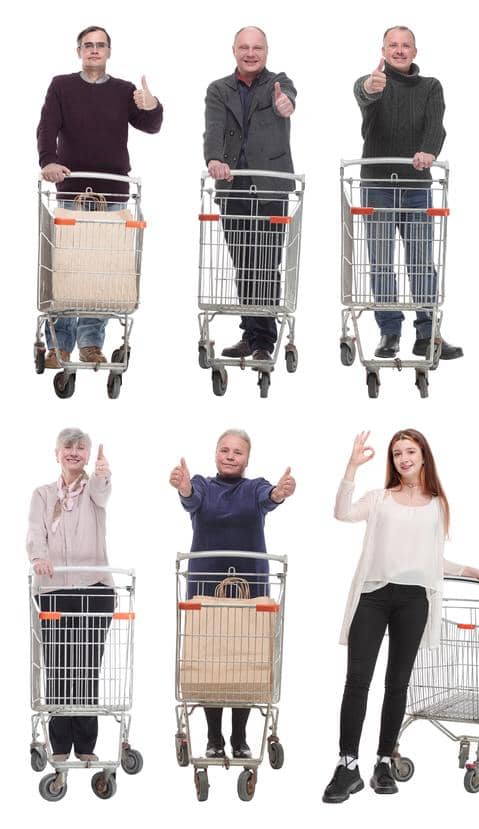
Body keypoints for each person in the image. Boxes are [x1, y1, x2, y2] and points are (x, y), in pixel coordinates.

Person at [323, 430, 479, 803]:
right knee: (357, 682)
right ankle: (347, 765)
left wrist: (473, 570)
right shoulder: (380, 499)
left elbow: (432, 561)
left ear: (423, 456)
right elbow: (341, 513)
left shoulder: (437, 505)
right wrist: (352, 466)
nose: (404, 458)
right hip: (373, 596)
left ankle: (384, 761)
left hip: (413, 600)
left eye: (410, 451)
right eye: (397, 453)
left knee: (397, 684)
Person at [36, 26, 164, 369]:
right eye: (88, 45)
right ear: (79, 51)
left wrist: (152, 106)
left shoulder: (124, 90)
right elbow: (47, 126)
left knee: (104, 271)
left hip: (114, 192)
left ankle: (91, 343)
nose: (94, 50)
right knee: (68, 270)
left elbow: (150, 125)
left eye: (100, 46)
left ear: (109, 52)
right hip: (72, 190)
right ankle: (59, 346)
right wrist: (48, 160)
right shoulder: (62, 86)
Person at [169, 429, 296, 761]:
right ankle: (213, 737)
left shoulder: (254, 487)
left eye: (237, 452)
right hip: (205, 585)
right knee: (209, 657)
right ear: (215, 454)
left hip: (249, 584)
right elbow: (190, 498)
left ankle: (239, 737)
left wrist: (280, 493)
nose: (229, 456)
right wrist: (183, 487)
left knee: (245, 657)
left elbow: (269, 497)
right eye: (224, 450)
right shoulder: (203, 485)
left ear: (247, 459)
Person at [353, 26, 462, 362]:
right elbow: (364, 93)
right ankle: (389, 331)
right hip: (378, 186)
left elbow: (435, 124)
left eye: (405, 45)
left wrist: (429, 151)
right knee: (382, 261)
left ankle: (428, 333)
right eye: (393, 45)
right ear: (383, 50)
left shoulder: (431, 87)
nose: (399, 51)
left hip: (415, 186)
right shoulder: (373, 82)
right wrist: (371, 86)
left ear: (415, 51)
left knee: (421, 261)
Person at [203, 26, 297, 361]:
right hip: (233, 187)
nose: (250, 53)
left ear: (266, 51)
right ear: (234, 50)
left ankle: (263, 341)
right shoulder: (218, 89)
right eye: (244, 47)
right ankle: (249, 332)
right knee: (244, 263)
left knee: (266, 264)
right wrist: (214, 158)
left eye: (257, 47)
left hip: (271, 188)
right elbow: (213, 128)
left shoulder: (279, 82)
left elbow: (288, 98)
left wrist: (285, 104)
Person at [26, 428, 113, 763]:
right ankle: (60, 746)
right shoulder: (43, 494)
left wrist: (104, 475)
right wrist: (38, 558)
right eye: (68, 447)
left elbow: (103, 493)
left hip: (95, 590)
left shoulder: (94, 489)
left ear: (88, 456)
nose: (74, 452)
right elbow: (35, 530)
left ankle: (87, 747)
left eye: (81, 448)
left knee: (87, 667)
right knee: (60, 668)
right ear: (56, 453)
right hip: (55, 590)